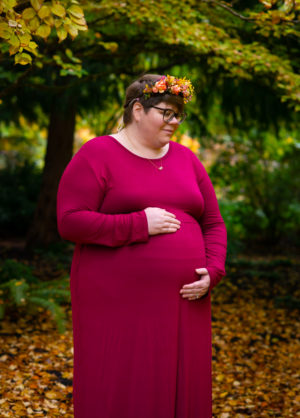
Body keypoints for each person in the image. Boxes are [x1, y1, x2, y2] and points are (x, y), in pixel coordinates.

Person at [56, 73, 227, 418]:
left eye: (180, 114)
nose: (175, 121)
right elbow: (70, 220)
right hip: (117, 303)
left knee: (181, 384)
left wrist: (212, 270)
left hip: (184, 303)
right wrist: (138, 224)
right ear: (137, 109)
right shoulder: (97, 154)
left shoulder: (187, 159)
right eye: (167, 112)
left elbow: (213, 223)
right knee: (123, 384)